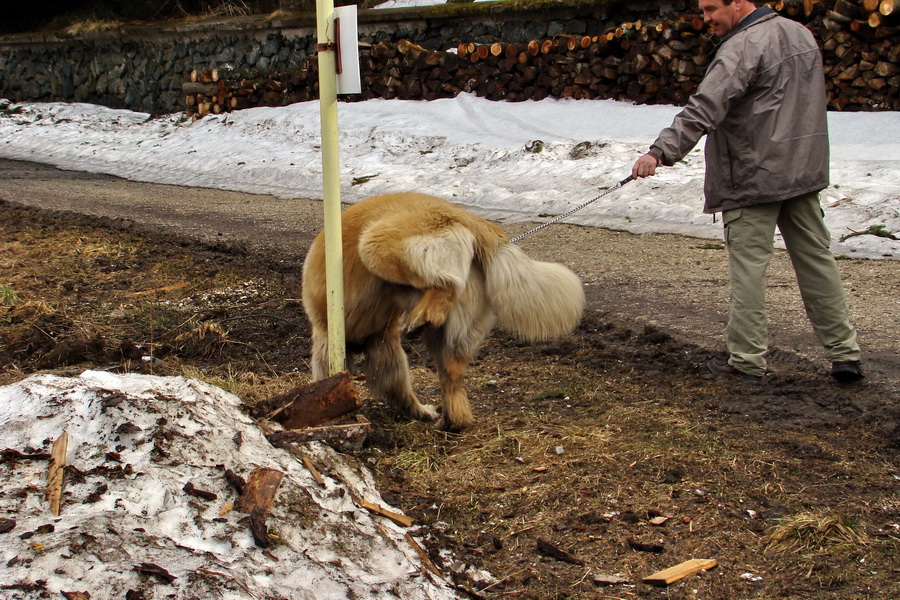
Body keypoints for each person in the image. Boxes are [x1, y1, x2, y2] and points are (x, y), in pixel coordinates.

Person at [631, 0, 863, 383]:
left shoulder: (742, 45)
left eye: (710, 9)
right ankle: (844, 355)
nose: (705, 19)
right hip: (800, 171)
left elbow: (706, 105)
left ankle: (745, 361)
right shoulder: (799, 33)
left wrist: (660, 151)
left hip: (752, 176)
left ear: (738, 4)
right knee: (817, 263)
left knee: (749, 273)